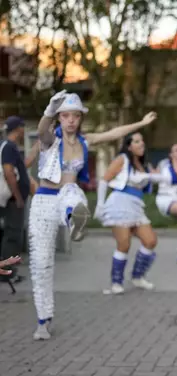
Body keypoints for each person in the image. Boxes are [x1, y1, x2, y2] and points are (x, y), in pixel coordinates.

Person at [30, 91, 157, 341]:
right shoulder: (49, 140)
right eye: (65, 116)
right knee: (41, 264)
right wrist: (49, 110)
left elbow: (115, 133)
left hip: (67, 194)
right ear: (59, 118)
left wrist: (141, 124)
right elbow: (42, 129)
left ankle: (74, 220)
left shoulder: (85, 141)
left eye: (75, 116)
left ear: (80, 119)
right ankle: (43, 320)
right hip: (44, 199)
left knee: (72, 193)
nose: (70, 121)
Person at [95, 132, 170, 294]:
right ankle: (116, 282)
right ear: (129, 145)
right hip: (120, 204)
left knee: (150, 241)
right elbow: (104, 180)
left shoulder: (143, 164)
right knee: (124, 244)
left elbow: (155, 179)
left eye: (142, 141)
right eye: (136, 141)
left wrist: (157, 177)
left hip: (136, 205)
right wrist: (100, 205)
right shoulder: (122, 159)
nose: (141, 144)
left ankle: (137, 276)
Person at [0, 116, 29, 282]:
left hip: (8, 198)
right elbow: (8, 172)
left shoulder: (4, 146)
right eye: (22, 127)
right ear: (18, 129)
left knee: (9, 234)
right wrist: (18, 196)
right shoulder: (9, 147)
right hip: (11, 200)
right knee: (13, 235)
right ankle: (7, 273)